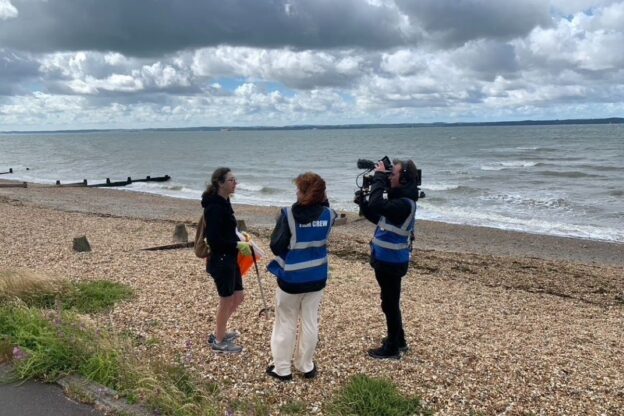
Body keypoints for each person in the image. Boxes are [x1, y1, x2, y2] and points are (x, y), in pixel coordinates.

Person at [265, 172, 336, 381]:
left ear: (302, 192)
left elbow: (276, 247)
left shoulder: (288, 215)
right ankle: (305, 365)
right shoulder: (329, 215)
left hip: (291, 279)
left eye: (298, 188)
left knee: (285, 322)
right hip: (317, 277)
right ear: (322, 194)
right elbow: (322, 217)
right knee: (310, 320)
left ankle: (282, 369)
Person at [358, 159, 419, 359]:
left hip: (391, 262)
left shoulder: (403, 204)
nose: (390, 177)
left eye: (393, 174)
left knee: (390, 304)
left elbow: (378, 204)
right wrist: (364, 205)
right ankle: (398, 339)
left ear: (403, 179)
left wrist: (378, 177)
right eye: (389, 174)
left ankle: (392, 348)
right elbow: (380, 218)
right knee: (390, 301)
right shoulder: (399, 202)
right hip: (388, 260)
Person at [201, 167, 252, 354]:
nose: (235, 183)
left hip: (230, 258)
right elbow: (214, 240)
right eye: (231, 180)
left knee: (239, 297)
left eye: (235, 180)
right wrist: (236, 245)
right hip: (221, 260)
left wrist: (239, 237)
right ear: (220, 183)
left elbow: (227, 231)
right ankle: (219, 342)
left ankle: (219, 332)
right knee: (227, 300)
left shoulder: (224, 201)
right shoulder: (214, 207)